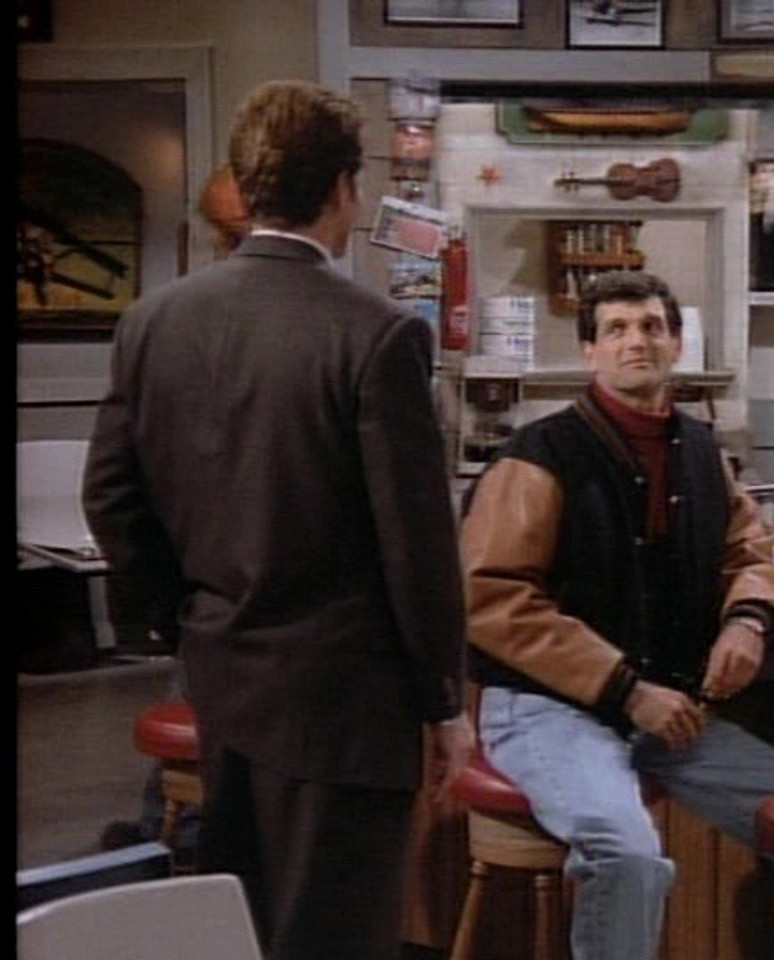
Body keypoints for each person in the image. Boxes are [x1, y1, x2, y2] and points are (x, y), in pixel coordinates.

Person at [82, 80, 474, 960]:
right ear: (342, 188)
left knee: (241, 928)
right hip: (347, 706)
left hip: (222, 681)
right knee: (335, 937)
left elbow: (110, 495)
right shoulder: (377, 335)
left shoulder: (154, 321)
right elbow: (416, 547)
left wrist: (180, 620)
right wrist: (444, 702)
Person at [460, 269, 774, 960]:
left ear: (677, 343)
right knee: (630, 858)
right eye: (615, 330)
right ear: (590, 351)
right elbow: (492, 595)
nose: (636, 342)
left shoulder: (701, 450)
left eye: (651, 327)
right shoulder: (539, 455)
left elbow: (748, 551)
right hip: (546, 710)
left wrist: (747, 621)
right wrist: (625, 688)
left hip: (664, 714)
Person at [97, 164, 252, 861]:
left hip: (199, 588)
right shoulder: (341, 324)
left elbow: (112, 490)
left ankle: (167, 841)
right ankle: (178, 841)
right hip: (268, 601)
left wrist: (162, 604)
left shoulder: (161, 322)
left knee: (201, 725)